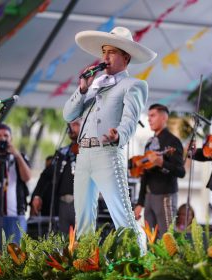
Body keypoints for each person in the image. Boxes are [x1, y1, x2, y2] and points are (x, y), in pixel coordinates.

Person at [63, 26, 156, 251]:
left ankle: (139, 261)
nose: (105, 57)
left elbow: (130, 119)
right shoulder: (94, 87)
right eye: (103, 52)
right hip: (83, 155)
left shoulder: (133, 85)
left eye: (111, 52)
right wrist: (83, 89)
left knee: (122, 214)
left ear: (126, 57)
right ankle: (85, 264)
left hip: (107, 152)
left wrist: (119, 135)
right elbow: (68, 114)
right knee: (83, 217)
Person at [134, 104, 186, 237]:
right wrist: (140, 203)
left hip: (165, 195)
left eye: (153, 115)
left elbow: (181, 171)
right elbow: (144, 175)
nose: (149, 119)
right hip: (149, 197)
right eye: (148, 116)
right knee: (150, 238)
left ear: (164, 118)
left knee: (167, 239)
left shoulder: (173, 142)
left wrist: (162, 163)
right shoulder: (149, 143)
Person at [30, 120, 80, 235]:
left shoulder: (92, 151)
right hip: (62, 204)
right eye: (70, 125)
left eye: (76, 124)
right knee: (64, 243)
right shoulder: (63, 153)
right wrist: (37, 195)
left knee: (82, 243)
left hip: (82, 204)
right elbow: (46, 175)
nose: (71, 128)